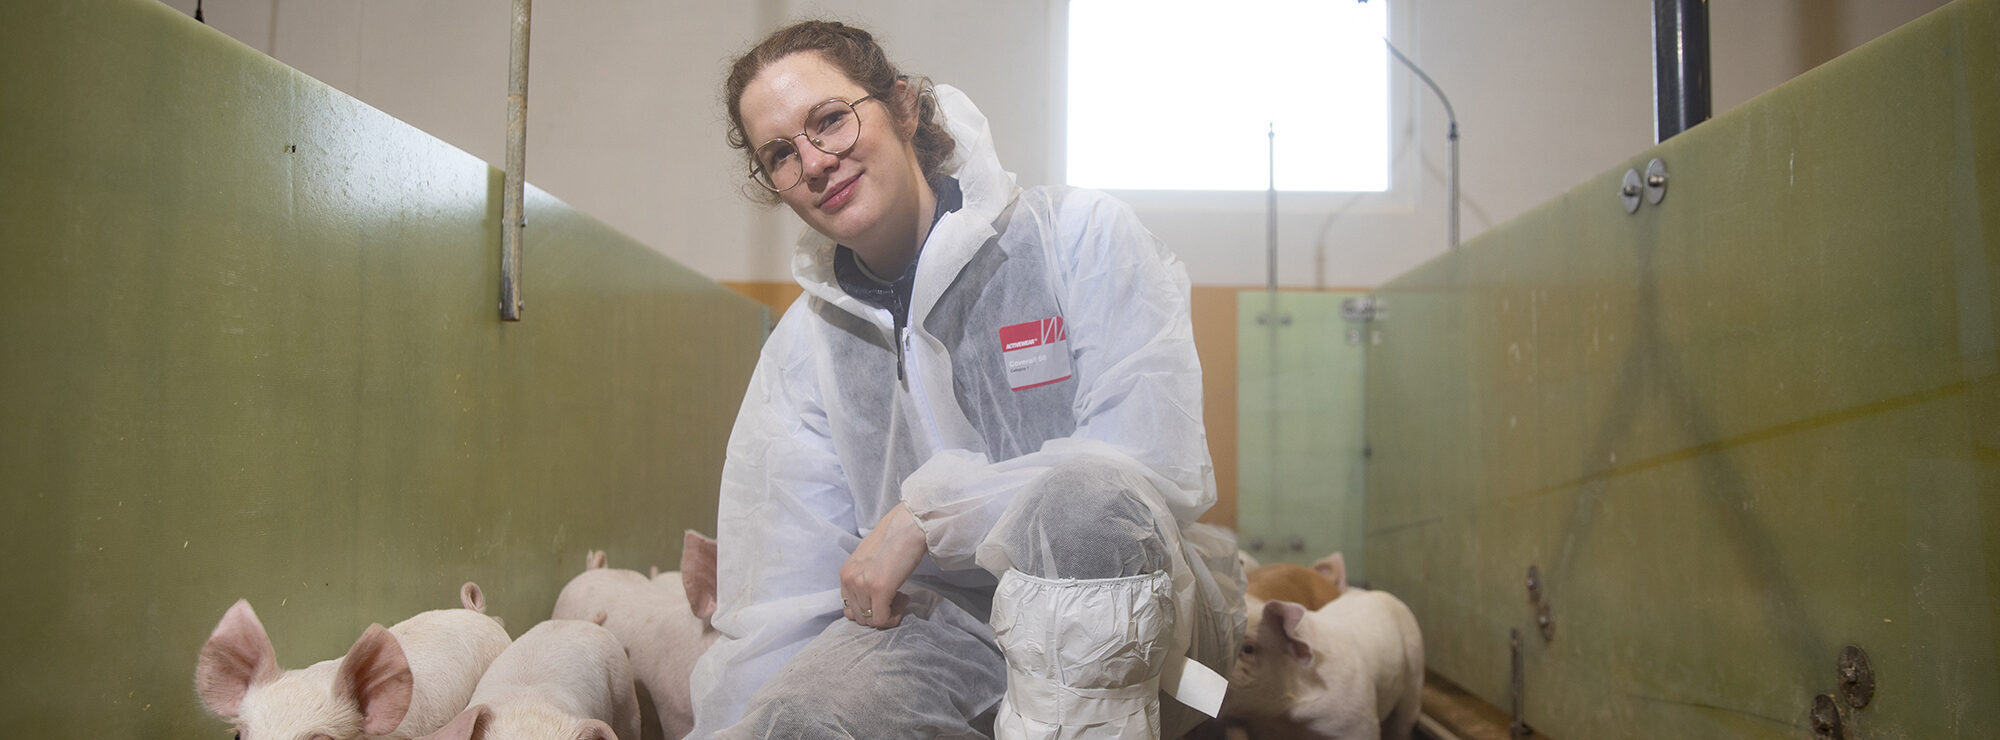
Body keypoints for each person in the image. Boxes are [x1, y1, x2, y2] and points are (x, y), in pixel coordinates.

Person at [688, 19, 1246, 740]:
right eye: (781, 155)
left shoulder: (1074, 237)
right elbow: (780, 596)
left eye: (829, 120)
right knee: (797, 720)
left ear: (904, 105)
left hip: (1128, 607)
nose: (816, 162)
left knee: (1083, 505)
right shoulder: (805, 347)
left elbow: (1149, 462)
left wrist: (933, 514)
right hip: (943, 629)